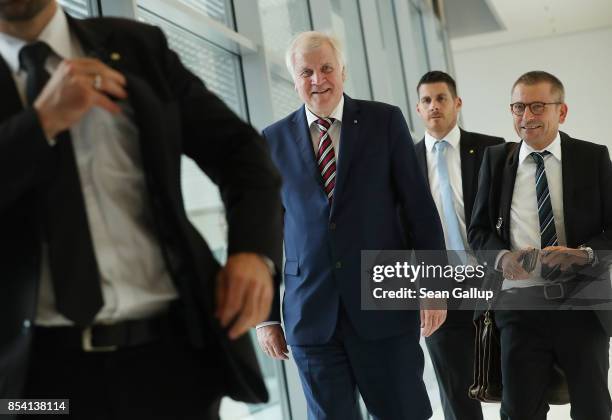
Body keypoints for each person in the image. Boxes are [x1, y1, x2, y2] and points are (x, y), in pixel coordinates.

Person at [0, 1, 283, 419]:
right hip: (36, 383)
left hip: (170, 360)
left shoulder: (136, 47)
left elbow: (239, 150)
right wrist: (40, 122)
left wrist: (252, 253)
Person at [256, 31, 447, 420]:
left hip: (385, 307)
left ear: (342, 71)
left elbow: (419, 211)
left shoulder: (384, 121)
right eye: (306, 72)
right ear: (294, 79)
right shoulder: (273, 140)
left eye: (326, 68)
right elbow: (264, 233)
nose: (317, 80)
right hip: (310, 314)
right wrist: (266, 316)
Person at [468, 70, 612, 420]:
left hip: (583, 305)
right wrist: (502, 258)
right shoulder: (497, 160)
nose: (526, 116)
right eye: (518, 107)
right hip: (519, 308)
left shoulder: (592, 157)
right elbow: (479, 231)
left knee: (593, 408)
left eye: (536, 106)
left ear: (561, 112)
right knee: (519, 411)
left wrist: (583, 254)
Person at [414, 70, 503, 420]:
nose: (434, 106)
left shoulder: (491, 150)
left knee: (515, 380)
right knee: (457, 393)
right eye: (426, 100)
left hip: (492, 280)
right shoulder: (403, 161)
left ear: (457, 104)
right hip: (438, 289)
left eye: (441, 98)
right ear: (418, 109)